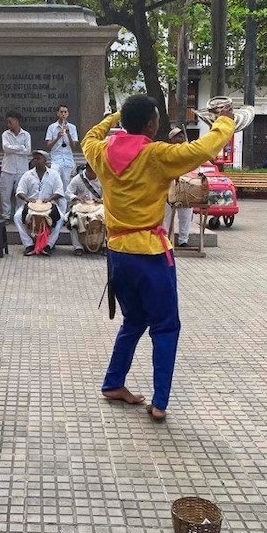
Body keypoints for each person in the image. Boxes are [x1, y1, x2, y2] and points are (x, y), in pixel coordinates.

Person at [83, 95, 235, 422]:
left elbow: (88, 138)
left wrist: (111, 119)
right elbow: (203, 149)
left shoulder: (102, 152)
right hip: (150, 255)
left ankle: (113, 383)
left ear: (124, 121)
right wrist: (224, 120)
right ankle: (160, 402)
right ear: (152, 125)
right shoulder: (156, 155)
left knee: (134, 321)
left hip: (119, 255)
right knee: (165, 327)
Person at [14, 149, 65, 256]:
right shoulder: (27, 175)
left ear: (45, 160)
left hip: (50, 204)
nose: (35, 161)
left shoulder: (54, 174)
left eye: (38, 158)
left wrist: (50, 198)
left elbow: (60, 192)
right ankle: (28, 245)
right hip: (30, 204)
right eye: (34, 159)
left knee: (61, 218)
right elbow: (19, 191)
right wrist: (27, 199)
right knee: (17, 217)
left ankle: (48, 245)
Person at [162, 127, 193, 247]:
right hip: (169, 188)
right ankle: (165, 240)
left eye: (182, 136)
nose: (180, 138)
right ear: (171, 139)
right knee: (166, 216)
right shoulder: (166, 151)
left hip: (185, 188)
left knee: (185, 215)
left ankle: (183, 240)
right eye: (177, 136)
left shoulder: (188, 151)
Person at [0, 111, 32, 222]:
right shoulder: (5, 134)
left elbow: (27, 151)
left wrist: (14, 149)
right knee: (5, 195)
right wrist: (20, 147)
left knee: (21, 194)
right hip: (7, 169)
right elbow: (6, 148)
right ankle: (6, 216)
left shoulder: (26, 135)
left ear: (17, 121)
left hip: (22, 170)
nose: (8, 124)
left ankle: (19, 216)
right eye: (7, 122)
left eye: (10, 122)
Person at [65, 163, 104, 255]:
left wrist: (101, 199)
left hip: (98, 206)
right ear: (87, 170)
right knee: (72, 219)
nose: (94, 174)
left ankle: (104, 245)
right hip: (81, 206)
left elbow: (108, 193)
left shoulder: (102, 178)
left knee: (106, 219)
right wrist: (76, 197)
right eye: (92, 171)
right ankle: (77, 246)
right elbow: (67, 193)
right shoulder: (78, 179)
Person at [45, 105, 79, 189]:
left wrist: (69, 135)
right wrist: (57, 138)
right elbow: (48, 145)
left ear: (68, 114)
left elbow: (74, 146)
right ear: (57, 114)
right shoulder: (52, 127)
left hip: (67, 159)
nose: (63, 114)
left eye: (65, 112)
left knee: (66, 182)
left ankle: (65, 201)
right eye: (61, 112)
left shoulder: (72, 127)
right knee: (53, 180)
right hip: (56, 159)